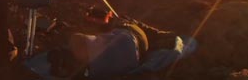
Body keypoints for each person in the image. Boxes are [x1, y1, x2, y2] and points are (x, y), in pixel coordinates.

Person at [48, 7, 178, 79]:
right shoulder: (130, 23)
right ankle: (76, 67)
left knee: (76, 39)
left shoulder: (116, 26)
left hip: (126, 42)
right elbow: (154, 32)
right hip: (133, 58)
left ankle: (67, 62)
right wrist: (169, 35)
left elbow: (85, 35)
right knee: (94, 53)